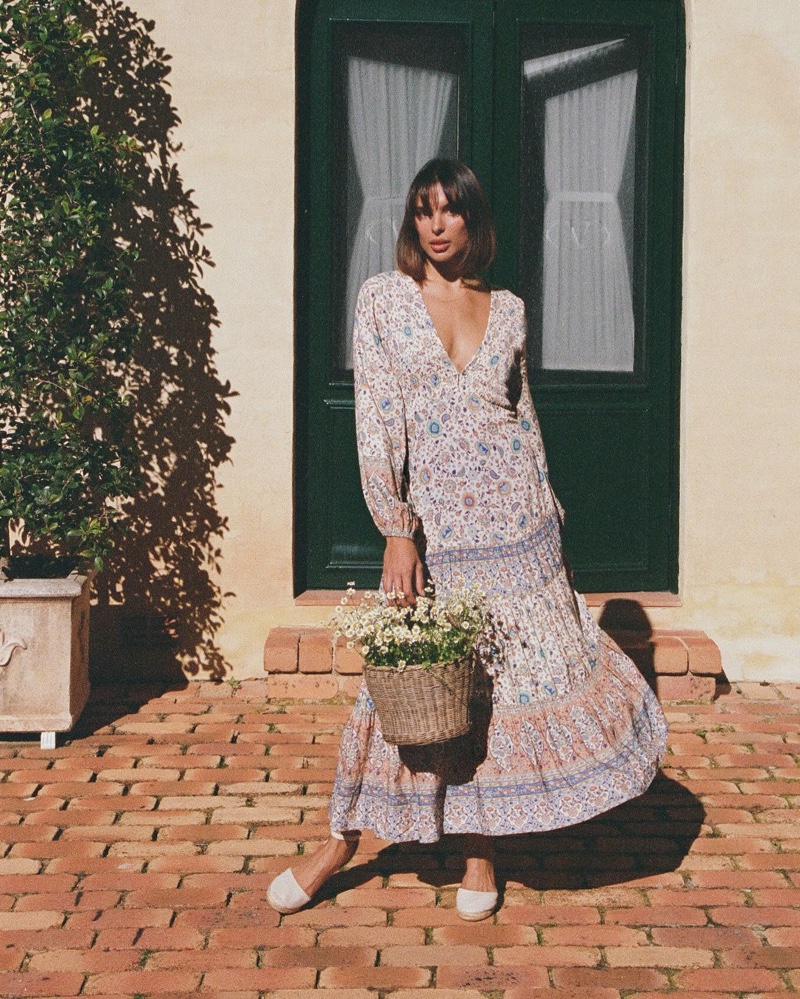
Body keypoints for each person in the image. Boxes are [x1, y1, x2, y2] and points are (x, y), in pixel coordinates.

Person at [268, 158, 668, 921]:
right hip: (438, 525)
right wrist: (396, 527)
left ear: (474, 221)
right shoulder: (384, 299)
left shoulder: (509, 308)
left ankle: (482, 850)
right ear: (412, 221)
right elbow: (378, 417)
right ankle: (339, 841)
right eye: (424, 210)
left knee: (497, 692)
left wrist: (550, 516)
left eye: (451, 211)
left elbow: (525, 421)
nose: (436, 224)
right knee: (401, 686)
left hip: (517, 526)